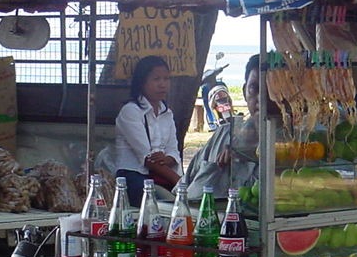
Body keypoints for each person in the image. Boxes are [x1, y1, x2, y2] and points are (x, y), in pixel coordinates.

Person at [183, 54, 270, 198]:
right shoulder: (223, 135)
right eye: (254, 88)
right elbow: (185, 184)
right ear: (244, 91)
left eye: (270, 90)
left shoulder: (296, 147)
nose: (262, 98)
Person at [115, 55, 182, 206]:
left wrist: (166, 159)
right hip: (134, 176)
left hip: (162, 173)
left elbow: (173, 150)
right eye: (156, 79)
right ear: (142, 82)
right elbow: (147, 159)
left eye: (166, 79)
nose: (162, 84)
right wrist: (180, 184)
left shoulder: (167, 113)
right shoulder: (130, 111)